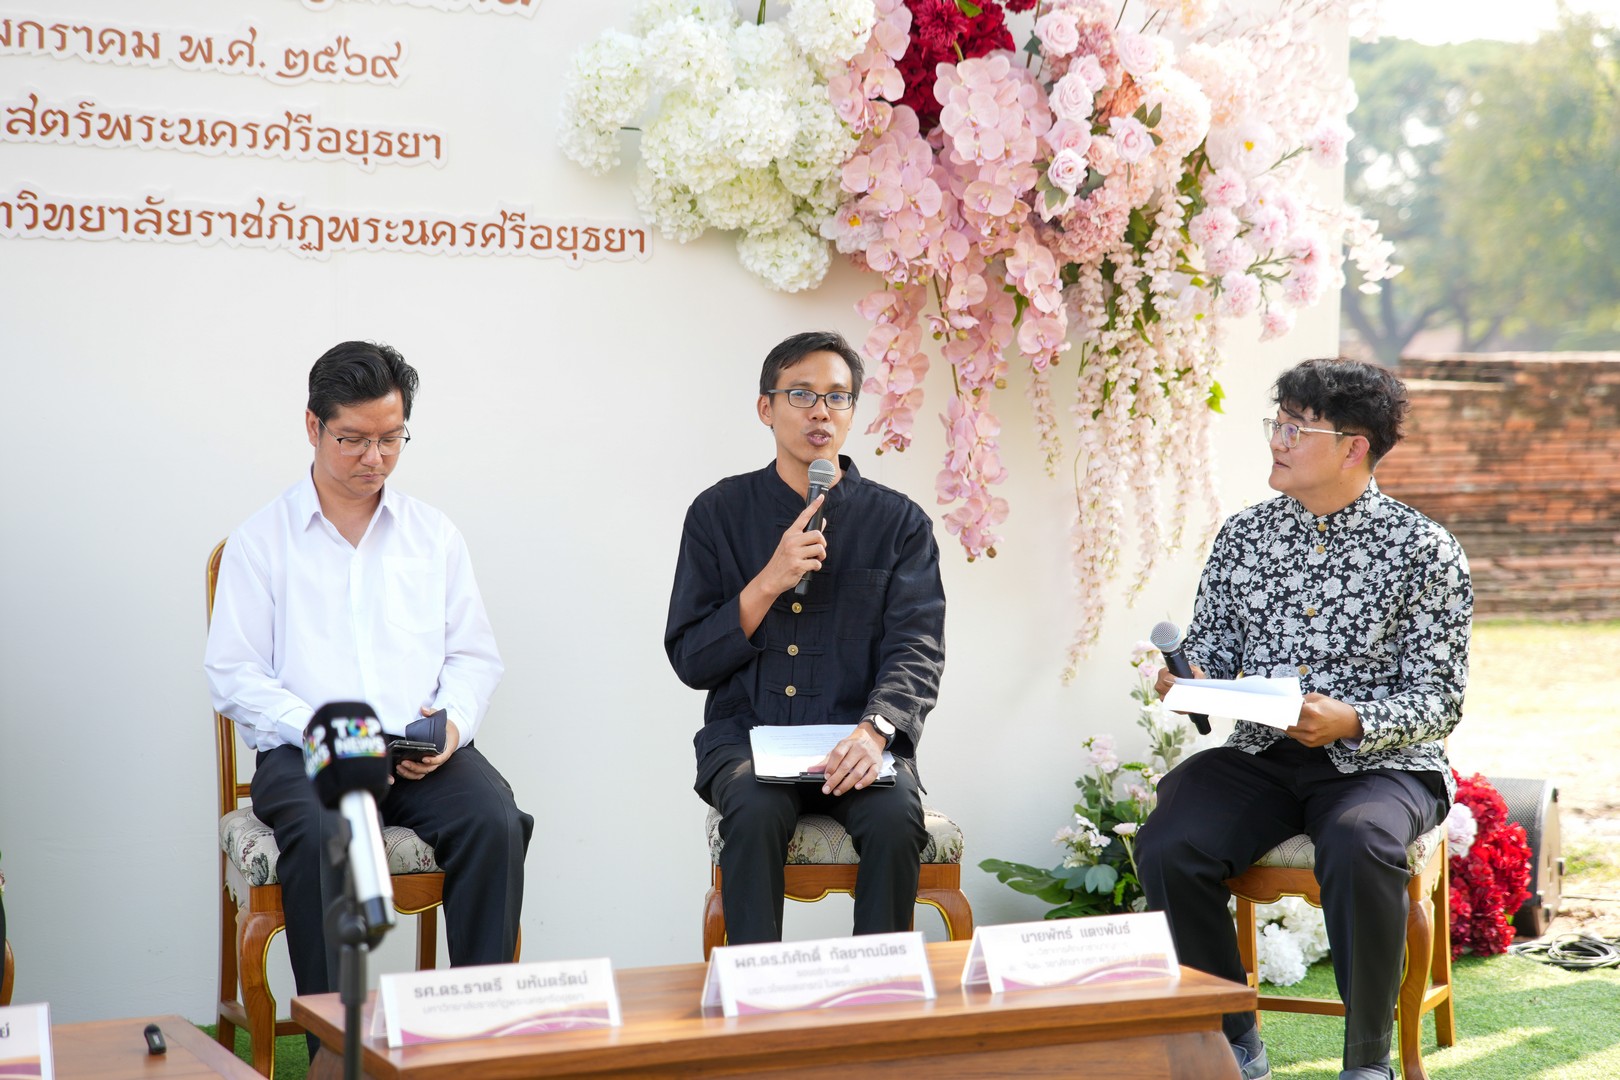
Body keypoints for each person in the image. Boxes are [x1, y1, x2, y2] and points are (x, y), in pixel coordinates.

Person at [1136, 357, 1472, 1080]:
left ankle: (1367, 1061)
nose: (1277, 440)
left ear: (1353, 447)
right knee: (1168, 842)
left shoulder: (1425, 550)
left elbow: (1441, 697)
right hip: (1265, 757)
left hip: (1384, 766)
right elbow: (1216, 647)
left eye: (1296, 428)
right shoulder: (1243, 536)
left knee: (1359, 841)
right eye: (1277, 423)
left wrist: (1350, 720)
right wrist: (1189, 680)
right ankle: (1232, 1039)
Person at [206, 341, 532, 1059]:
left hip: (418, 751)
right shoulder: (261, 542)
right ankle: (334, 1049)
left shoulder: (432, 535)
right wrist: (327, 730)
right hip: (308, 754)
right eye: (353, 439)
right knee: (325, 833)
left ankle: (477, 1040)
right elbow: (233, 674)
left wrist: (451, 726)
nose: (374, 458)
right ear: (313, 426)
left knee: (494, 820)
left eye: (391, 439)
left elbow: (474, 655)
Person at [665, 330, 946, 944]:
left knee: (896, 817)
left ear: (851, 412)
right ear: (765, 408)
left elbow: (917, 649)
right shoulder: (716, 513)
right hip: (747, 737)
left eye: (837, 397)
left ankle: (879, 990)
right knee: (753, 807)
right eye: (801, 394)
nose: (821, 411)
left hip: (857, 738)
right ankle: (758, 991)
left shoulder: (899, 523)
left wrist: (875, 732)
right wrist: (769, 580)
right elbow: (690, 657)